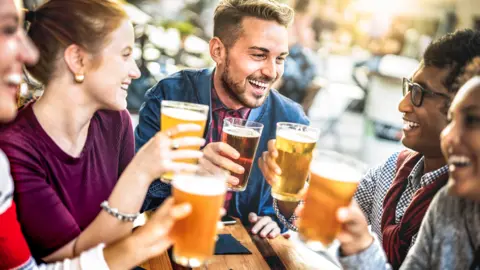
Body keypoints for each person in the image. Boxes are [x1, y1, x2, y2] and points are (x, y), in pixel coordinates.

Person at [0, 0, 205, 262]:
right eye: (125, 54)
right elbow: (68, 259)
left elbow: (125, 227)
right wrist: (140, 172)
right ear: (78, 59)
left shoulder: (115, 122)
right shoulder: (14, 149)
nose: (135, 71)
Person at [259, 29, 480, 267]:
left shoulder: (460, 199)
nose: (402, 105)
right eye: (410, 88)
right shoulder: (395, 170)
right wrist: (290, 189)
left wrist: (362, 248)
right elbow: (322, 221)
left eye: (420, 93)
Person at [135, 0, 309, 238]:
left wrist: (278, 220)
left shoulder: (291, 120)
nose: (272, 72)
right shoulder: (169, 96)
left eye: (279, 59)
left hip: (248, 251)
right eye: (259, 55)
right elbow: (137, 197)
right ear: (218, 51)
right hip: (172, 240)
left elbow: (297, 216)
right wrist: (187, 176)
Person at [338, 56, 480, 269]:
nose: (448, 136)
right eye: (452, 119)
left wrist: (361, 250)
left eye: (472, 120)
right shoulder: (448, 204)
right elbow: (335, 212)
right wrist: (289, 192)